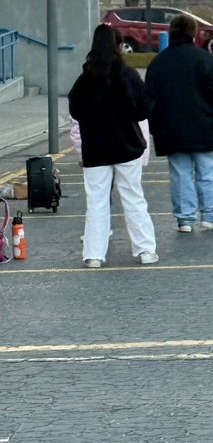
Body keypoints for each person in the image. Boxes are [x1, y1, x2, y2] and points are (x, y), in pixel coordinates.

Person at [68, 24, 158, 269]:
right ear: (119, 45)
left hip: (96, 149)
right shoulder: (127, 75)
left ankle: (94, 254)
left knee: (96, 202)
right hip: (127, 145)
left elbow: (74, 109)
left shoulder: (85, 78)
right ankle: (146, 249)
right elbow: (143, 108)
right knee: (133, 198)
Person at [145, 13, 213, 232]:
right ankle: (211, 214)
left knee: (179, 173)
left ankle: (184, 219)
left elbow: (149, 100)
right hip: (203, 124)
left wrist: (155, 128)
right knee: (207, 171)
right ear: (194, 33)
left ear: (172, 33)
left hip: (170, 128)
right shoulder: (206, 61)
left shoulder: (157, 64)